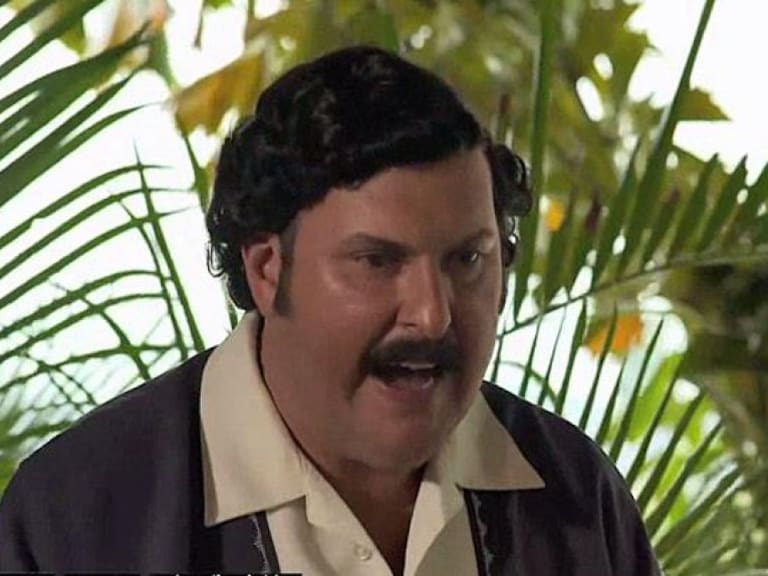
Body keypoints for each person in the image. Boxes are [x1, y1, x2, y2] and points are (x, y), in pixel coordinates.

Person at [0, 45, 661, 575]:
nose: (432, 316)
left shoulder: (575, 498)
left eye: (468, 260)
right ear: (267, 269)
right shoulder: (78, 520)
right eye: (377, 262)